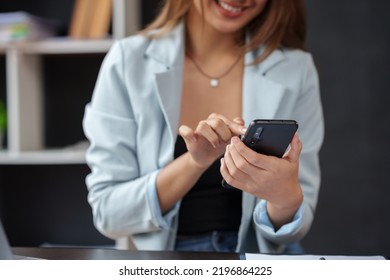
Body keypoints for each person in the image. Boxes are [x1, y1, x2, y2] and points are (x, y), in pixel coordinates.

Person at [83, 0, 324, 254]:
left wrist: (283, 195)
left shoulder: (297, 69)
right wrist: (195, 162)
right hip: (170, 264)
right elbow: (108, 213)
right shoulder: (127, 61)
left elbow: (296, 227)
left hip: (258, 262)